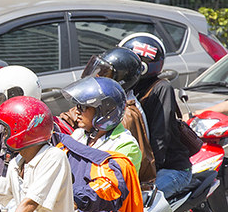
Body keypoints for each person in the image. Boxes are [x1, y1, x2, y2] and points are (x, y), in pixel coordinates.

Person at [120, 33, 194, 196]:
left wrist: (148, 175)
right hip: (143, 168)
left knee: (141, 205)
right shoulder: (129, 89)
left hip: (171, 169)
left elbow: (160, 137)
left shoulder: (161, 89)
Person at [79, 46, 155, 182]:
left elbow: (115, 177)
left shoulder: (122, 115)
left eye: (104, 74)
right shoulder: (102, 109)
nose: (97, 76)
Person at [62, 77, 142, 171]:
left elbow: (112, 181)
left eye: (83, 107)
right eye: (77, 106)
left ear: (104, 111)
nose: (77, 112)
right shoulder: (79, 135)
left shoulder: (125, 145)